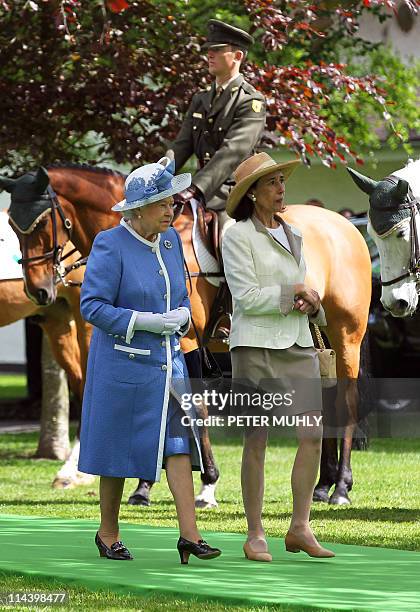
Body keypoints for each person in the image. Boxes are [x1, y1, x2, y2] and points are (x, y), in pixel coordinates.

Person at [78, 157, 221, 565]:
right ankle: (108, 532)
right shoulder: (109, 244)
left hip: (168, 363)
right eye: (161, 203)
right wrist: (144, 321)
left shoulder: (173, 241)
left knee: (178, 447)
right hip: (123, 368)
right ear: (137, 209)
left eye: (171, 202)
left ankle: (190, 536)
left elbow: (178, 294)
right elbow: (92, 307)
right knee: (116, 454)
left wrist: (179, 317)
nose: (170, 209)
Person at [222, 152, 335, 561]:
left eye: (282, 181)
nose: (281, 187)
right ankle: (255, 535)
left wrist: (313, 302)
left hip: (298, 343)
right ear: (252, 194)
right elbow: (248, 298)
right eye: (271, 182)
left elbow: (302, 288)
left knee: (313, 435)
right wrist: (295, 294)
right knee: (257, 440)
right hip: (255, 348)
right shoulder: (236, 236)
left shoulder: (294, 233)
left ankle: (300, 528)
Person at [167, 19, 266, 235]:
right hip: (199, 191)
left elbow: (232, 152)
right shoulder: (201, 99)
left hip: (234, 194)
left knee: (230, 240)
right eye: (208, 50)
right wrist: (155, 176)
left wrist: (196, 187)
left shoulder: (250, 101)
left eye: (218, 50)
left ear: (238, 56)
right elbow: (181, 145)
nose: (209, 55)